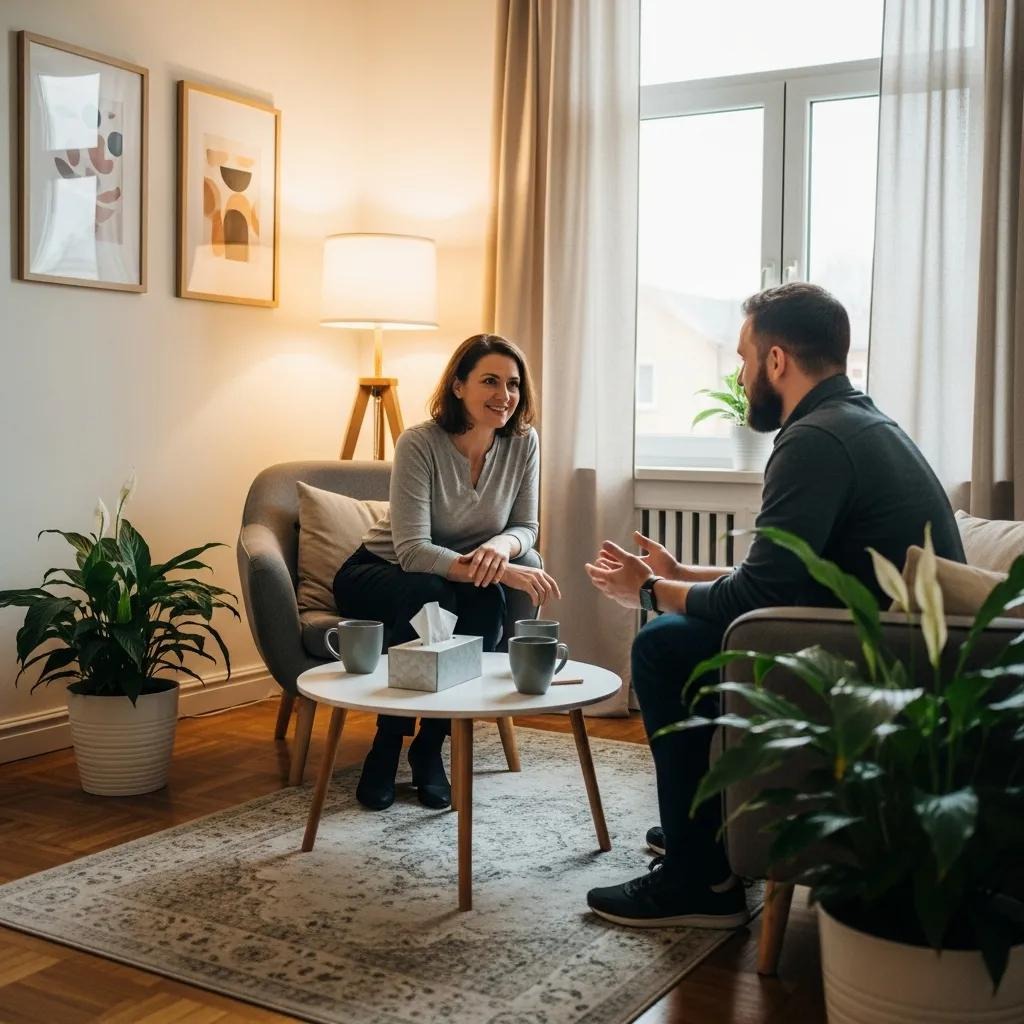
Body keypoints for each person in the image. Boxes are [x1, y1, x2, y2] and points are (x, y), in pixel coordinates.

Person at [584, 283, 965, 928]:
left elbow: (762, 596)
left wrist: (648, 592)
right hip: (885, 644)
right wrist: (682, 574)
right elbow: (789, 576)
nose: (741, 373)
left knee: (665, 644)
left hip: (875, 664)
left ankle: (698, 882)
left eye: (743, 357)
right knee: (686, 626)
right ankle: (707, 838)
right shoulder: (855, 422)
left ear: (778, 360)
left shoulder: (814, 439)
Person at [333, 333, 560, 812]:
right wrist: (503, 572)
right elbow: (413, 552)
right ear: (458, 386)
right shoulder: (420, 442)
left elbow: (525, 525)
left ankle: (429, 746)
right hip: (379, 572)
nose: (505, 395)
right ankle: (387, 745)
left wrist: (499, 551)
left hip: (455, 577)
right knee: (430, 592)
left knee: (481, 602)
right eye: (490, 381)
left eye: (514, 384)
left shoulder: (523, 443)